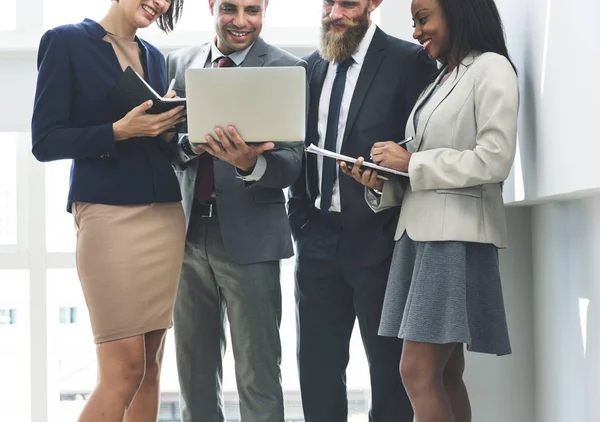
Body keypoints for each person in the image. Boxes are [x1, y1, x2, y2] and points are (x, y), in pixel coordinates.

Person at [341, 0, 519, 420]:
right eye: (414, 22)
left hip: (453, 240)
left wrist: (410, 163)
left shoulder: (491, 68)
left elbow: (495, 159)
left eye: (423, 19)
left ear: (458, 13)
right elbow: (424, 171)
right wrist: (382, 181)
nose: (417, 32)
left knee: (416, 373)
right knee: (445, 374)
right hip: (422, 239)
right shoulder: (443, 79)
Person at [31, 0, 187, 421]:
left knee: (151, 368)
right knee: (124, 370)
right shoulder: (65, 42)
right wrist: (116, 132)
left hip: (164, 214)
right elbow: (45, 141)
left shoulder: (155, 57)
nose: (160, 4)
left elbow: (158, 144)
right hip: (108, 215)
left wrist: (176, 130)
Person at [287, 0, 437, 421]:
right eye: (328, 3)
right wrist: (300, 220)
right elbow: (295, 152)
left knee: (390, 378)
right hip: (315, 241)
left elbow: (424, 151)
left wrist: (387, 184)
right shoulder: (307, 69)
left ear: (374, 3)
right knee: (316, 374)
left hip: (382, 243)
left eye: (347, 3)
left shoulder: (409, 62)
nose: (334, 12)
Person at [164, 1, 305, 421]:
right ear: (211, 6)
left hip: (253, 240)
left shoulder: (287, 68)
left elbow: (294, 162)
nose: (241, 21)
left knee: (258, 376)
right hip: (187, 238)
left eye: (252, 10)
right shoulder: (179, 62)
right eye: (229, 8)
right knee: (194, 376)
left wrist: (250, 163)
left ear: (265, 10)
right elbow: (164, 147)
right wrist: (190, 144)